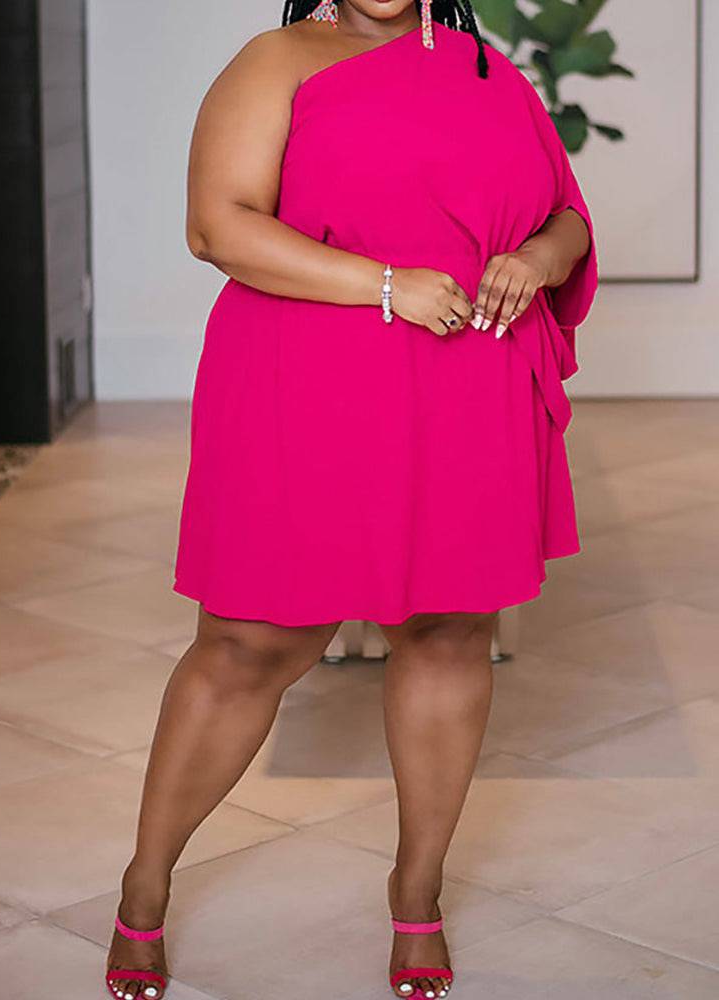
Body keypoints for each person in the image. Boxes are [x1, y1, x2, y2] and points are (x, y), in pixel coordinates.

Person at [105, 2, 597, 998]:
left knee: (449, 632)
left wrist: (535, 260)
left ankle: (418, 892)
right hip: (305, 383)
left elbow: (566, 215)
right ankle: (145, 881)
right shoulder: (278, 59)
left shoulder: (486, 71)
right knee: (248, 645)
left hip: (466, 384)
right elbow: (217, 224)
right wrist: (385, 285)